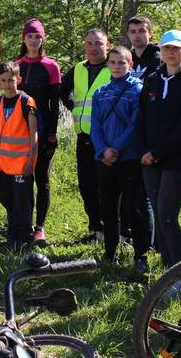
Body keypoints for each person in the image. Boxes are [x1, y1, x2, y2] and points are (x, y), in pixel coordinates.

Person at [137, 29, 181, 279]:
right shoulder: (153, 79)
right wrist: (144, 151)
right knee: (159, 213)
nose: (171, 53)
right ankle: (167, 276)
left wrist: (156, 152)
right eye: (167, 48)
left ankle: (180, 276)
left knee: (167, 216)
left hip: (178, 161)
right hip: (150, 161)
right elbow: (142, 117)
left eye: (176, 48)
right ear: (161, 51)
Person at [90, 46, 150, 272]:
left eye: (121, 63)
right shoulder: (100, 92)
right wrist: (102, 149)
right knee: (107, 207)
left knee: (135, 208)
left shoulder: (138, 90)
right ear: (107, 64)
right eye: (113, 62)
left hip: (129, 158)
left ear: (130, 65)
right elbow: (95, 124)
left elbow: (136, 124)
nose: (116, 66)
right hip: (105, 160)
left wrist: (115, 148)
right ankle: (110, 251)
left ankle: (141, 255)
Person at [60, 28, 111, 242]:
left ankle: (112, 231)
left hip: (108, 139)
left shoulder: (114, 66)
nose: (93, 48)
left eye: (98, 43)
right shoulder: (78, 69)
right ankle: (95, 229)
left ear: (107, 45)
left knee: (107, 188)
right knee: (87, 186)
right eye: (89, 44)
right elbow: (63, 90)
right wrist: (70, 104)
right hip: (84, 137)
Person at [15, 18, 61, 247]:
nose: (33, 40)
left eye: (37, 36)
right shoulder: (16, 65)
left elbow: (55, 105)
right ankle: (24, 225)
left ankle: (40, 228)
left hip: (43, 131)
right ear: (24, 39)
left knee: (41, 179)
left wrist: (51, 135)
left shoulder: (51, 67)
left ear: (43, 39)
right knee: (23, 179)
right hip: (18, 132)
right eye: (30, 36)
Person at [0, 61, 38, 252]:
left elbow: (33, 133)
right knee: (7, 201)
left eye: (11, 80)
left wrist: (31, 161)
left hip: (22, 165)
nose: (8, 84)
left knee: (22, 203)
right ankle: (12, 237)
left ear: (19, 80)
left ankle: (24, 238)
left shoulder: (26, 102)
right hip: (2, 165)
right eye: (4, 80)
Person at [128, 17, 161, 81]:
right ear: (128, 35)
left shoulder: (161, 58)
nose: (137, 35)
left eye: (141, 31)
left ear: (150, 33)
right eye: (133, 32)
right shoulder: (126, 59)